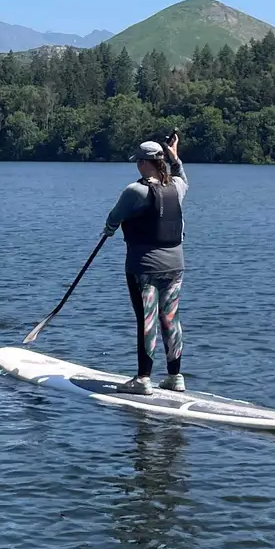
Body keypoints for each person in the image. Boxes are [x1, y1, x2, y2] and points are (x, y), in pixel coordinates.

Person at [101, 131, 190, 395]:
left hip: (144, 268)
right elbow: (183, 177)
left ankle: (143, 379)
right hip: (175, 265)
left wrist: (109, 229)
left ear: (142, 163)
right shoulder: (177, 186)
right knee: (170, 318)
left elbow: (114, 217)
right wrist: (175, 158)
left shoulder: (135, 190)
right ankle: (175, 377)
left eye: (137, 161)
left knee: (147, 320)